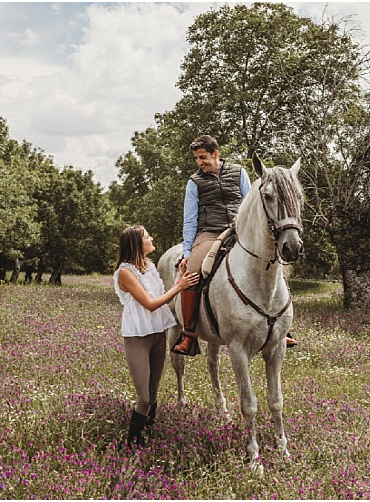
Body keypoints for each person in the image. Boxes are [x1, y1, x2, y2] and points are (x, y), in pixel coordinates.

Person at [172, 135, 296, 356]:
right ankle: (189, 334)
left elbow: (251, 202)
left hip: (239, 230)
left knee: (273, 264)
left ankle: (281, 327)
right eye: (197, 159)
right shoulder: (194, 182)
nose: (200, 162)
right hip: (208, 233)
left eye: (203, 157)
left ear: (215, 154)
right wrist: (189, 253)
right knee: (192, 272)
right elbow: (189, 220)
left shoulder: (239, 172)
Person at [114, 225, 199, 446]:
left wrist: (179, 276)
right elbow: (151, 304)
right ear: (136, 244)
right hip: (138, 337)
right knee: (143, 398)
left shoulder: (149, 267)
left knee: (153, 395)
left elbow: (162, 298)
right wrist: (180, 286)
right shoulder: (125, 272)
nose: (151, 238)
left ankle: (147, 440)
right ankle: (131, 447)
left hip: (157, 334)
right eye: (146, 236)